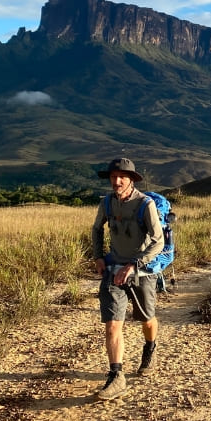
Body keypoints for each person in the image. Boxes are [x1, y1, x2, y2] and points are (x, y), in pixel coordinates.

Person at [91, 157, 164, 400]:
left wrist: (135, 264)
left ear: (132, 179)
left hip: (141, 271)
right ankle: (116, 376)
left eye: (122, 177)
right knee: (112, 324)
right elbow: (96, 229)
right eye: (113, 177)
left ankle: (150, 347)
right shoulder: (108, 203)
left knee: (147, 319)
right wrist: (99, 256)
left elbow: (158, 240)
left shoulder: (145, 204)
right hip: (114, 269)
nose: (117, 181)